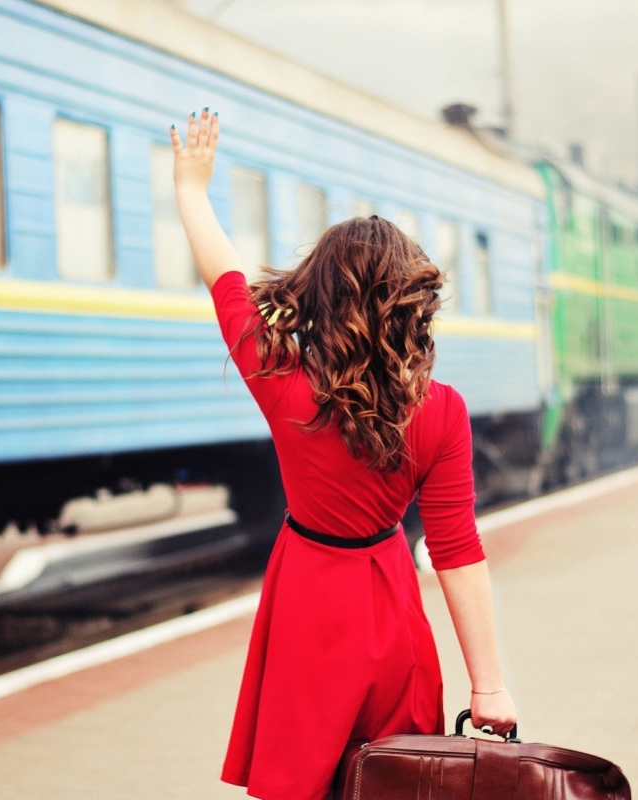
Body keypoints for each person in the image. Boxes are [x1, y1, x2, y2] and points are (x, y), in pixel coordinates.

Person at [171, 108, 517, 800]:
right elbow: (455, 553)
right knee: (394, 780)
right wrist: (490, 687)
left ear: (321, 296)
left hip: (306, 600)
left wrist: (190, 190)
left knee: (303, 779)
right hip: (389, 606)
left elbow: (226, 280)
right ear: (411, 306)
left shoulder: (281, 380)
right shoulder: (441, 410)